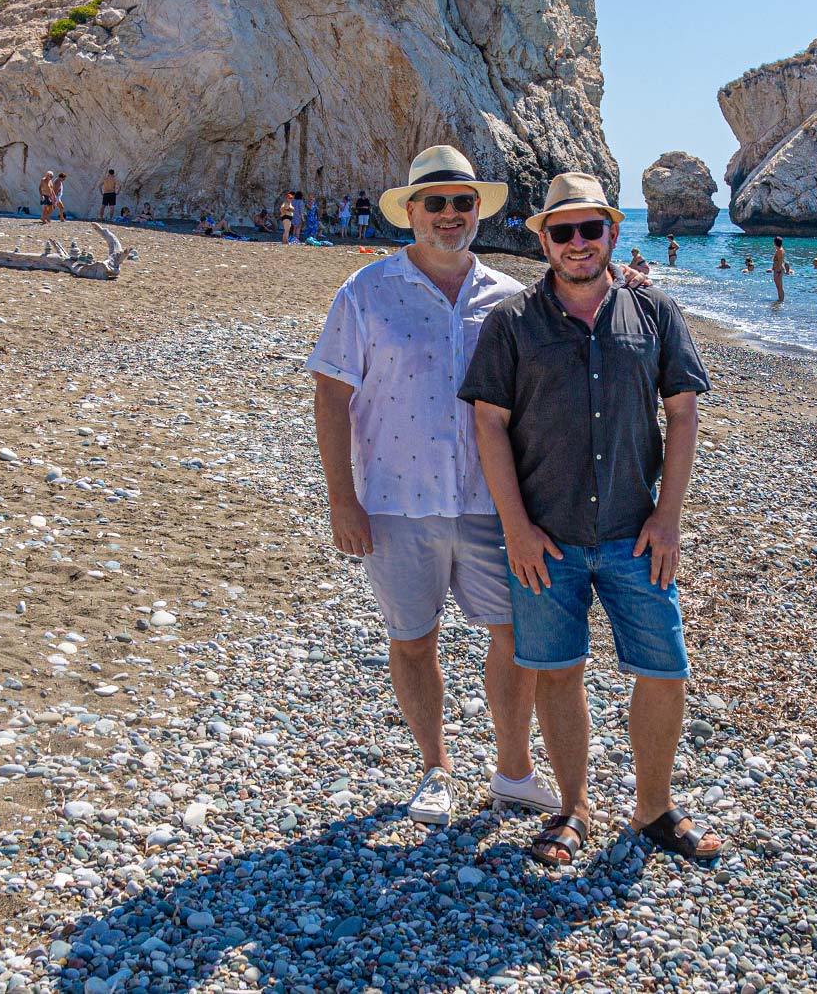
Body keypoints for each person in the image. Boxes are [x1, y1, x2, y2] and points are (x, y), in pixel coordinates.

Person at [463, 171, 720, 867]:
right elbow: (489, 424)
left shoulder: (656, 314)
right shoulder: (512, 323)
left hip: (638, 533)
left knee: (666, 670)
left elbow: (684, 412)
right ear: (544, 239)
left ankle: (654, 809)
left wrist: (669, 519)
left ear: (612, 231)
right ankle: (573, 808)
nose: (578, 243)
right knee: (558, 671)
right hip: (547, 538)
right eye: (562, 230)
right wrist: (516, 526)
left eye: (590, 228)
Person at [307, 146, 558, 828]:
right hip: (394, 502)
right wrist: (341, 498)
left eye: (462, 202)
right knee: (414, 637)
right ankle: (436, 768)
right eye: (436, 202)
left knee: (515, 635)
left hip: (493, 504)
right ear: (411, 211)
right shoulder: (364, 292)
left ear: (477, 210)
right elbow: (331, 397)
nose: (450, 215)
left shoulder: (512, 299)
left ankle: (513, 771)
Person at [771, 237, 788, 305]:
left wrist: (778, 271)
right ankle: (780, 300)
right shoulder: (778, 250)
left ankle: (781, 300)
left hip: (779, 270)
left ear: (775, 242)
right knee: (778, 286)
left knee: (779, 286)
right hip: (777, 269)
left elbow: (780, 262)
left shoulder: (780, 251)